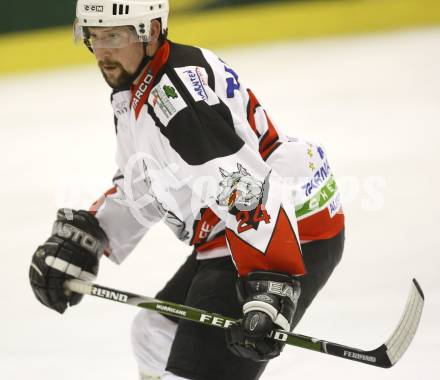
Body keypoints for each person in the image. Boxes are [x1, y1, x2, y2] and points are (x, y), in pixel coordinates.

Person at [29, 1, 345, 379]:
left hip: (285, 231)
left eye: (113, 35)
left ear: (152, 31)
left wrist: (270, 287)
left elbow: (245, 190)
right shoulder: (138, 87)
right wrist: (93, 234)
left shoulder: (176, 100)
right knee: (155, 334)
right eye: (93, 37)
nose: (102, 52)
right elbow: (145, 183)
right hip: (237, 230)